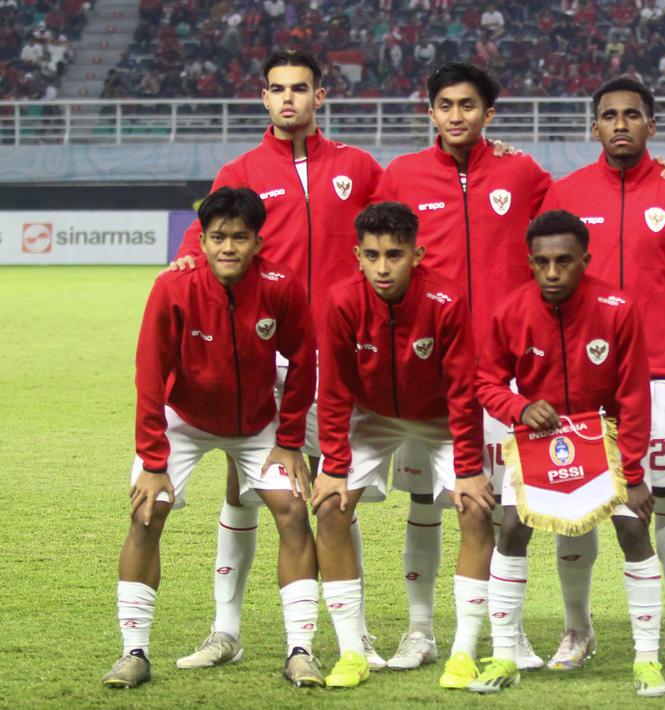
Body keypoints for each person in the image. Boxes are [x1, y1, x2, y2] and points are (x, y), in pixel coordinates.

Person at [170, 50, 386, 672]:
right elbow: (204, 234)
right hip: (264, 359)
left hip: (340, 358)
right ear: (263, 97)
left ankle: (355, 632)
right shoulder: (240, 168)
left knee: (332, 497)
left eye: (300, 88)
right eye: (277, 89)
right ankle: (225, 631)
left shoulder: (358, 167)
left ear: (322, 95)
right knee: (244, 492)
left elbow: (406, 220)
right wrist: (187, 257)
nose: (288, 98)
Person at [371, 62, 553, 674]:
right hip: (429, 368)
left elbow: (573, 218)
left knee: (503, 509)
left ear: (489, 114)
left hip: (506, 372)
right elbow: (376, 263)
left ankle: (509, 632)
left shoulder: (522, 172)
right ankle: (419, 631)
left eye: (468, 105)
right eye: (445, 105)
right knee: (424, 500)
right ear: (430, 112)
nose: (456, 115)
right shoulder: (401, 175)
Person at [104, 188, 321, 689]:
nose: (228, 247)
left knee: (292, 511)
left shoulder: (281, 287)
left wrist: (289, 441)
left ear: (258, 242)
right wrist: (154, 462)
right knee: (146, 510)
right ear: (200, 241)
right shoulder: (173, 288)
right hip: (184, 419)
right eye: (218, 237)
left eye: (239, 238)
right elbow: (149, 376)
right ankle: (133, 652)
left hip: (257, 426)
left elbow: (304, 362)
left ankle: (300, 651)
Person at [538, 76, 665, 672]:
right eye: (608, 115)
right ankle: (576, 629)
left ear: (651, 126)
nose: (619, 124)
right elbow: (541, 284)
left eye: (631, 115)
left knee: (664, 502)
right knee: (572, 505)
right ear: (594, 127)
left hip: (661, 377)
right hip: (577, 383)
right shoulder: (563, 193)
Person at [469, 210, 665, 697]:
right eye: (541, 263)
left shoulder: (617, 308)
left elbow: (634, 398)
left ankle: (647, 661)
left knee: (632, 526)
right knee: (512, 527)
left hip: (605, 439)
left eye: (564, 261)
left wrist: (636, 473)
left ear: (585, 259)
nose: (553, 273)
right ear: (530, 263)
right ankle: (503, 656)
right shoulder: (511, 311)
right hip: (541, 442)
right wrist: (518, 406)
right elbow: (485, 381)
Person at [315, 202, 496, 690]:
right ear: (357, 255)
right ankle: (352, 650)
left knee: (478, 509)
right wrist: (333, 466)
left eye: (394, 255)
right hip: (372, 416)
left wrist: (469, 468)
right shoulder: (340, 300)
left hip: (439, 417)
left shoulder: (446, 299)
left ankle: (463, 651)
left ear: (417, 254)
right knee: (330, 508)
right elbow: (332, 390)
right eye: (372, 255)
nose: (382, 267)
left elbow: (463, 390)